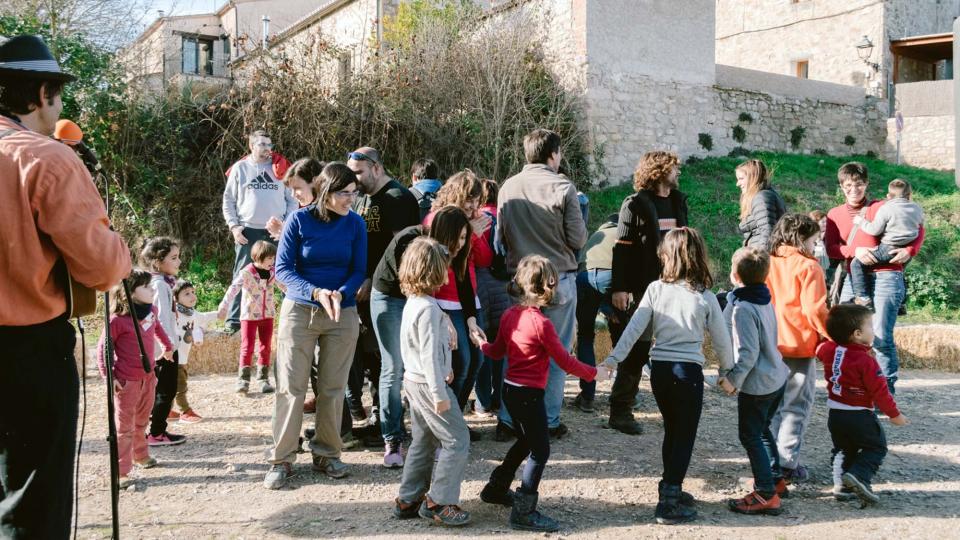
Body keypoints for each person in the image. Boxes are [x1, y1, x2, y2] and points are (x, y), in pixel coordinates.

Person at [0, 35, 131, 536]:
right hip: (25, 352)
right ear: (42, 94)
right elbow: (101, 269)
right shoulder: (46, 159)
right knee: (32, 504)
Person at [601, 227, 734, 525]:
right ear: (698, 256)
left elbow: (634, 330)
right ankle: (669, 502)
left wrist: (612, 359)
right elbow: (722, 342)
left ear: (667, 257)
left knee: (673, 431)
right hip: (688, 373)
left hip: (660, 370)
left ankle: (668, 486)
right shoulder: (705, 296)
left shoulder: (655, 289)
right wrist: (728, 371)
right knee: (684, 435)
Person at [472, 255, 603, 532]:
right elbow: (565, 362)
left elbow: (496, 352)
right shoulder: (542, 324)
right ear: (548, 286)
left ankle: (497, 487)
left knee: (525, 441)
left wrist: (482, 344)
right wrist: (594, 373)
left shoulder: (510, 315)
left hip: (511, 392)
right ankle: (524, 510)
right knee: (540, 449)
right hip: (529, 396)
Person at [266, 162, 366, 489]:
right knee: (291, 388)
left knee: (333, 388)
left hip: (342, 311)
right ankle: (281, 459)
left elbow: (358, 270)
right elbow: (283, 269)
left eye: (353, 193)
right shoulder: (299, 219)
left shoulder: (355, 224)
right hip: (301, 310)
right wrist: (315, 291)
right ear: (324, 190)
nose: (350, 199)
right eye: (343, 193)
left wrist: (341, 293)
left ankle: (327, 453)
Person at [496, 128, 587, 439]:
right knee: (557, 352)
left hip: (520, 279)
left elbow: (500, 238)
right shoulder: (563, 187)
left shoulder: (508, 187)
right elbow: (577, 238)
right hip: (557, 277)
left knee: (515, 350)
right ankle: (547, 420)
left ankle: (508, 420)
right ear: (553, 154)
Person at [371, 206, 475, 468]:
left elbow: (461, 281)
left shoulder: (451, 251)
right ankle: (393, 437)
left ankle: (432, 431)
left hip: (421, 300)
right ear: (442, 233)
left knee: (457, 360)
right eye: (457, 238)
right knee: (395, 366)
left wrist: (467, 319)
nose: (460, 245)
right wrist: (441, 317)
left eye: (465, 238)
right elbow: (413, 287)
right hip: (390, 296)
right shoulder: (412, 240)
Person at [608, 151, 689, 436]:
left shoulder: (679, 201)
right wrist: (619, 287)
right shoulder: (634, 204)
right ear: (658, 171)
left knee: (674, 347)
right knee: (638, 348)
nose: (678, 172)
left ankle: (675, 406)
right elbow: (622, 248)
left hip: (675, 286)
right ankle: (620, 409)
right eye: (673, 168)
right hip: (643, 288)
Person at [825, 162, 924, 395]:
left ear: (866, 184)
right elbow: (831, 248)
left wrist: (911, 251)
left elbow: (919, 228)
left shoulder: (882, 206)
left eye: (859, 184)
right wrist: (853, 252)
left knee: (880, 336)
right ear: (841, 187)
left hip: (887, 275)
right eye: (848, 185)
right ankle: (850, 385)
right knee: (843, 332)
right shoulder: (834, 214)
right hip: (853, 277)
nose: (854, 189)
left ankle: (883, 391)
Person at [392, 238, 472, 527]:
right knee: (457, 439)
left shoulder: (417, 303)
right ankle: (440, 501)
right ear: (434, 271)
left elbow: (426, 347)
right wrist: (440, 391)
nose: (448, 272)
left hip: (415, 382)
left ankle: (409, 498)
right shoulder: (427, 309)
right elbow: (427, 355)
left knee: (423, 440)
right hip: (428, 385)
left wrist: (446, 365)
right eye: (445, 267)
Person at [347, 146, 420, 444]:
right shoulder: (363, 196)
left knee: (384, 359)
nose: (355, 178)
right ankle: (379, 418)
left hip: (385, 291)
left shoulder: (398, 198)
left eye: (359, 172)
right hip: (363, 290)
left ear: (376, 167)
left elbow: (403, 249)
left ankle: (389, 424)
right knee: (369, 357)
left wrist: (371, 278)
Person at [719, 247, 790, 515]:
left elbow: (749, 353)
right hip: (777, 377)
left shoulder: (744, 309)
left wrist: (732, 380)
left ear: (734, 275)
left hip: (758, 385)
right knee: (761, 429)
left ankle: (765, 493)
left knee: (749, 435)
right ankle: (774, 478)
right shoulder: (764, 298)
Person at [817, 304, 908, 507]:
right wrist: (894, 414)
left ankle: (841, 486)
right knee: (876, 447)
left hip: (836, 413)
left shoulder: (829, 349)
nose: (873, 331)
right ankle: (860, 476)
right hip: (860, 415)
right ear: (857, 334)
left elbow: (820, 350)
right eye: (870, 327)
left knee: (843, 448)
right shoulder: (866, 361)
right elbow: (880, 392)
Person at [765, 214, 829, 483]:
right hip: (799, 345)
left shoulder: (766, 262)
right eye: (814, 241)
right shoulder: (809, 267)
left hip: (770, 342)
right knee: (796, 406)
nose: (816, 246)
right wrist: (830, 336)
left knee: (772, 406)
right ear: (801, 239)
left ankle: (769, 459)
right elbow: (815, 309)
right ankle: (788, 463)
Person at [97, 270, 175, 489]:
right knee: (124, 427)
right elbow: (104, 347)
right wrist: (108, 375)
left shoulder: (151, 312)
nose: (152, 290)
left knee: (142, 420)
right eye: (146, 287)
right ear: (129, 293)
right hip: (127, 382)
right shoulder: (117, 321)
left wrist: (168, 346)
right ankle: (120, 471)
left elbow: (158, 329)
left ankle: (140, 455)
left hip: (148, 377)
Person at [423, 171, 492, 418]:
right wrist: (469, 233)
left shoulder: (474, 220)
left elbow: (484, 259)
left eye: (476, 200)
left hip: (469, 300)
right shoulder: (436, 219)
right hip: (443, 299)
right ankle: (447, 418)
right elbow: (441, 259)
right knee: (459, 362)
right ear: (454, 194)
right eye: (468, 199)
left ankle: (457, 416)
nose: (472, 206)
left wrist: (477, 234)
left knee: (477, 360)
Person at [222, 129, 297, 332]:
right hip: (248, 231)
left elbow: (293, 200)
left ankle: (291, 321)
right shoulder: (240, 168)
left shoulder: (281, 168)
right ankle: (233, 322)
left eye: (269, 144)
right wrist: (234, 227)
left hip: (276, 232)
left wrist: (285, 225)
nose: (267, 149)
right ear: (251, 146)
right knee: (242, 274)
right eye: (262, 144)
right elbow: (228, 200)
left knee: (282, 274)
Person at [848, 179, 924, 310]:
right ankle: (901, 304)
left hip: (888, 248)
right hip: (906, 251)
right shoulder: (917, 208)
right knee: (899, 272)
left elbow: (874, 230)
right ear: (910, 195)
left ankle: (862, 298)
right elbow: (920, 227)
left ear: (888, 196)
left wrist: (861, 221)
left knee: (856, 263)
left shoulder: (886, 208)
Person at [141, 237, 188, 447]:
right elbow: (161, 319)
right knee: (166, 390)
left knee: (159, 390)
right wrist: (169, 346)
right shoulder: (160, 285)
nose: (178, 262)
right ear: (158, 261)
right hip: (164, 348)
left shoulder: (158, 282)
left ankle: (152, 429)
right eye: (174, 258)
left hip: (161, 346)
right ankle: (157, 432)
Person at [218, 240, 280, 393]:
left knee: (266, 347)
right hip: (249, 316)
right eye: (270, 258)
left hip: (268, 314)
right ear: (259, 257)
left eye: (273, 258)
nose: (272, 261)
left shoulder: (273, 272)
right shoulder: (246, 272)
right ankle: (243, 380)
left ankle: (263, 379)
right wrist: (224, 305)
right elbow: (234, 288)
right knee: (247, 347)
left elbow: (284, 285)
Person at [573, 213, 620, 413]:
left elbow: (589, 272)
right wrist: (610, 310)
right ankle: (625, 395)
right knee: (622, 336)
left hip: (585, 279)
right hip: (613, 279)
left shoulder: (597, 234)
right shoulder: (623, 232)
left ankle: (587, 396)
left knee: (585, 337)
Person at [473, 178, 512, 417]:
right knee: (501, 345)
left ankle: (481, 402)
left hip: (479, 283)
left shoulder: (477, 221)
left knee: (482, 344)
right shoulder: (504, 218)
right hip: (502, 284)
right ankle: (499, 398)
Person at [170, 279, 218, 424]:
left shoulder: (191, 313)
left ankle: (166, 409)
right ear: (176, 298)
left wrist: (220, 313)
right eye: (186, 294)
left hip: (182, 356)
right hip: (174, 355)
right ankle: (185, 411)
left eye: (192, 292)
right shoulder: (174, 313)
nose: (192, 296)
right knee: (180, 385)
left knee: (171, 384)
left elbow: (203, 318)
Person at [736, 159, 786, 251]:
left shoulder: (761, 197)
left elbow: (768, 232)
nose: (738, 184)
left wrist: (760, 260)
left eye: (741, 179)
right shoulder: (763, 195)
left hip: (762, 258)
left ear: (753, 177)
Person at [808, 210, 832, 275]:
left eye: (826, 221)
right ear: (816, 223)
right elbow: (817, 257)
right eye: (823, 222)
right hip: (816, 272)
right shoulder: (812, 239)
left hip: (821, 272)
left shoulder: (820, 237)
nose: (826, 224)